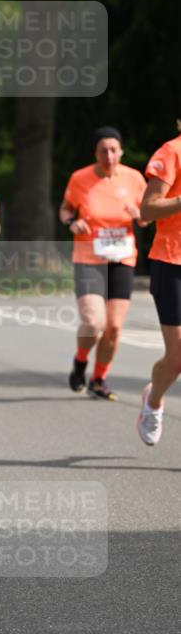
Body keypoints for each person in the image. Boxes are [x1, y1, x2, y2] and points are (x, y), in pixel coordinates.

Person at [59, 126, 147, 400]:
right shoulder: (80, 178)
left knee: (114, 327)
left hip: (122, 258)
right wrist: (72, 222)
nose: (108, 156)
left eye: (113, 150)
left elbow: (147, 217)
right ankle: (80, 361)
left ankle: (98, 379)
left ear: (121, 152)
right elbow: (65, 209)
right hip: (89, 258)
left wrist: (140, 214)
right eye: (103, 151)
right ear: (95, 153)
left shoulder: (134, 178)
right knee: (93, 322)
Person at [136, 128, 181, 445]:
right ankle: (153, 400)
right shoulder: (172, 151)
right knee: (177, 359)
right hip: (172, 261)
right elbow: (147, 209)